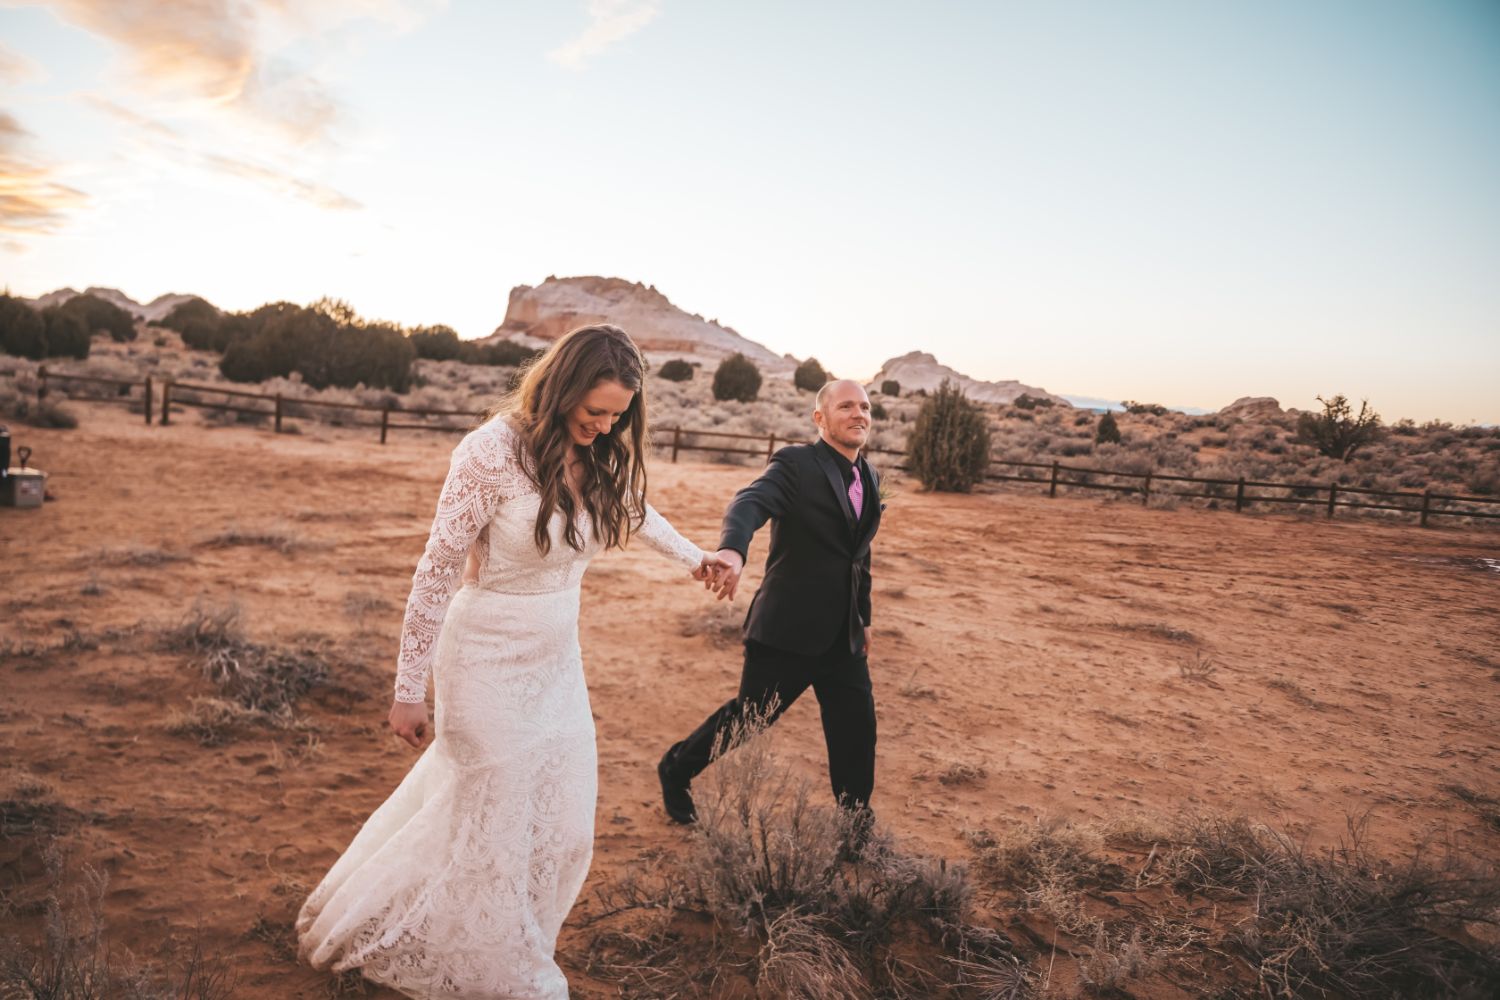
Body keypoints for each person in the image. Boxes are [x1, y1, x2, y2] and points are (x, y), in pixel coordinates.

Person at [297, 325, 724, 999]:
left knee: (563, 823)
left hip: (556, 662)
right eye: (595, 412)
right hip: (483, 658)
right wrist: (409, 688)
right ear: (561, 390)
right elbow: (437, 570)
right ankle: (500, 968)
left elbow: (638, 513)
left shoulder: (602, 454)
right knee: (493, 817)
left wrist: (698, 558)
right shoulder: (489, 453)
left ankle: (507, 937)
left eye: (618, 415)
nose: (606, 426)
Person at [657, 378, 883, 841]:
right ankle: (677, 769)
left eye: (864, 406)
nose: (858, 414)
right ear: (820, 418)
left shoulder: (870, 476)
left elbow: (859, 556)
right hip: (788, 631)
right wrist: (733, 552)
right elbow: (749, 502)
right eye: (846, 407)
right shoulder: (795, 464)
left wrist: (865, 618)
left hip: (844, 636)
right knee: (747, 720)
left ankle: (855, 826)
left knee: (856, 731)